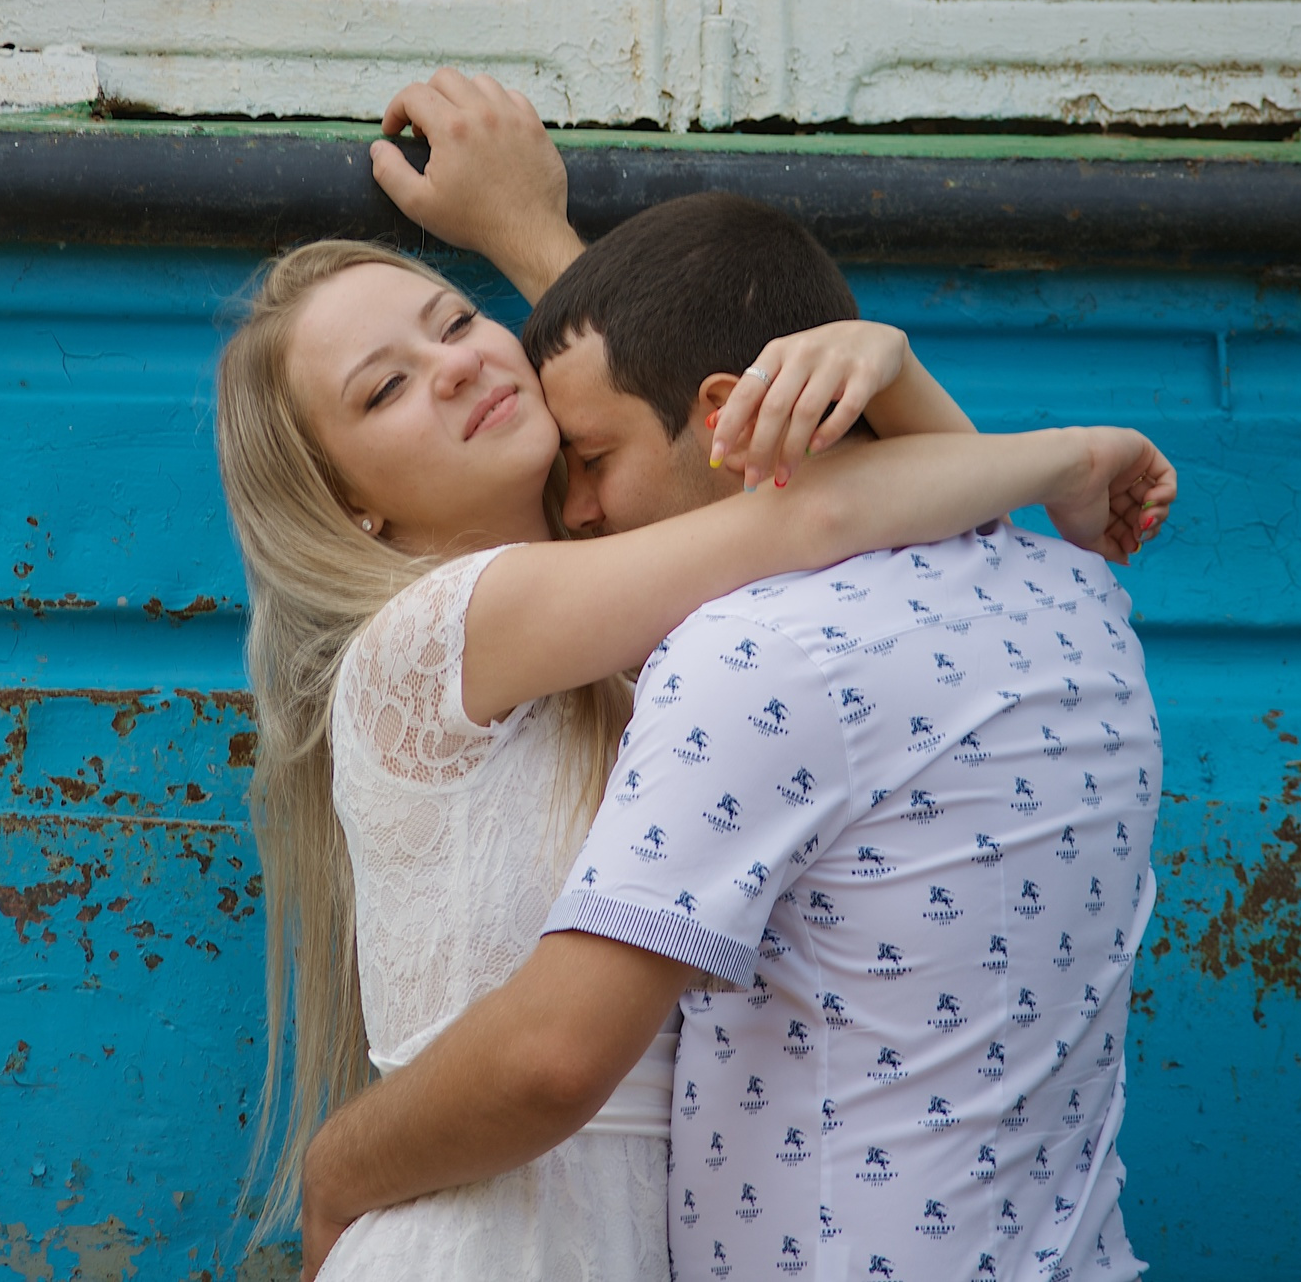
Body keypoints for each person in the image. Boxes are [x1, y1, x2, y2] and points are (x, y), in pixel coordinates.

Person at [214, 76, 1176, 1282]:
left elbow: (709, 448)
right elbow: (788, 510)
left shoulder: (626, 630)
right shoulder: (436, 630)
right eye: (384, 387)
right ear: (348, 501)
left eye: (454, 322)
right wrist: (1064, 449)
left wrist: (549, 247)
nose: (451, 366)